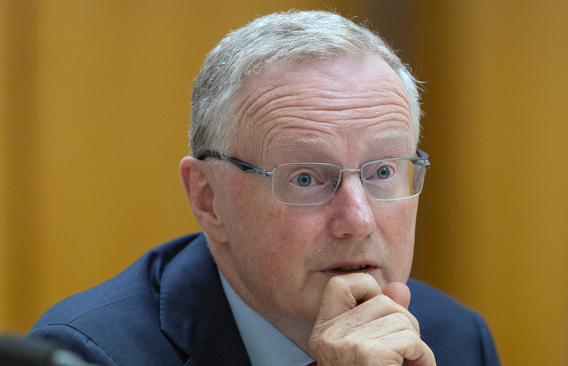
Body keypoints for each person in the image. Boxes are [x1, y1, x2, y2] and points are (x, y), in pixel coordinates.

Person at [28, 10, 500, 366]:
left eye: (382, 172)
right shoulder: (91, 353)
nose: (357, 219)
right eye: (305, 178)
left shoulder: (452, 336)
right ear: (207, 198)